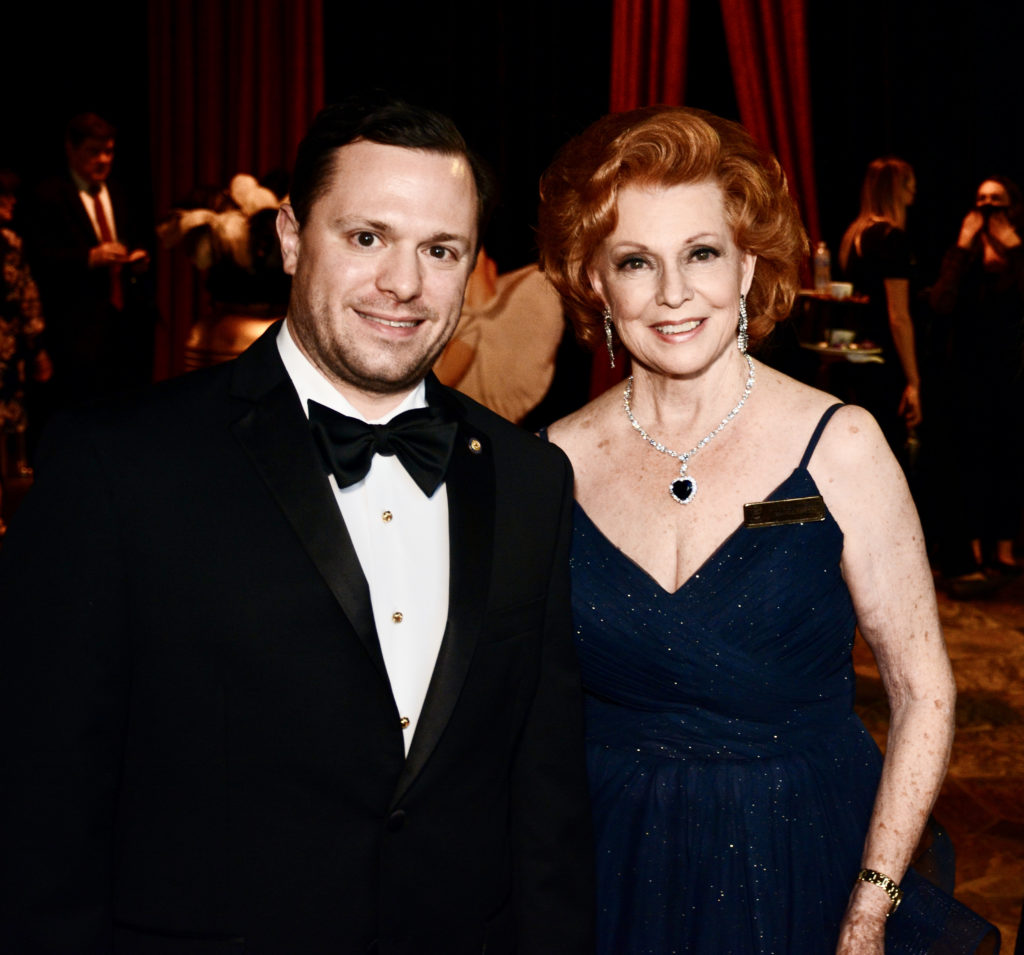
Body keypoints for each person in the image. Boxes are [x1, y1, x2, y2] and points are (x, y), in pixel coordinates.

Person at [0, 96, 594, 953]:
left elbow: (546, 797)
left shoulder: (530, 477)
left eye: (439, 249)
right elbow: (39, 801)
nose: (403, 282)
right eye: (366, 237)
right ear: (288, 237)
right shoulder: (116, 466)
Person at [536, 106, 998, 954]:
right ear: (595, 280)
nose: (674, 293)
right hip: (609, 866)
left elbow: (926, 692)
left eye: (702, 253)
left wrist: (869, 909)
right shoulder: (549, 464)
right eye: (637, 261)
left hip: (804, 856)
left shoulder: (842, 445)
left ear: (747, 264)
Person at [21, 112, 155, 410]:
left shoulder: (119, 191)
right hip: (73, 330)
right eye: (93, 152)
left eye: (109, 151)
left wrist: (137, 259)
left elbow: (136, 237)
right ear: (71, 149)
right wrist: (87, 258)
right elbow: (36, 260)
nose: (103, 160)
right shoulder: (49, 196)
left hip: (122, 323)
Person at [928, 176, 1024, 585]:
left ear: (1011, 206)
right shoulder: (963, 251)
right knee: (972, 458)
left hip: (1012, 369)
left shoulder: (1019, 247)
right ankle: (968, 548)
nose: (988, 208)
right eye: (982, 200)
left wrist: (1014, 243)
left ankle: (1002, 547)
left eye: (996, 200)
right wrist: (962, 245)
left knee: (1009, 458)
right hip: (967, 370)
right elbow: (940, 302)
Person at [838, 157, 923, 459]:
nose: (914, 190)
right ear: (896, 187)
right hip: (886, 361)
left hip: (856, 355)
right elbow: (898, 317)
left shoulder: (855, 235)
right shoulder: (892, 238)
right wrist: (914, 380)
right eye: (909, 182)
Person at [0, 170, 50, 535]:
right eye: (5, 198)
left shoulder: (11, 240)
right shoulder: (8, 243)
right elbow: (25, 296)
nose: (12, 204)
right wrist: (36, 344)